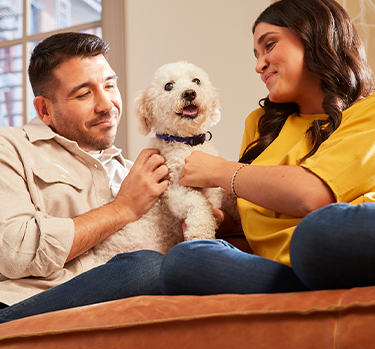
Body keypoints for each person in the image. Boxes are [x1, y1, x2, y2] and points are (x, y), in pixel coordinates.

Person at [159, 0, 375, 295]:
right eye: (256, 55)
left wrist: (220, 171)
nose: (259, 65)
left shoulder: (369, 112)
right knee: (185, 261)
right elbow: (259, 232)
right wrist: (226, 225)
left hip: (340, 244)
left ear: (315, 37)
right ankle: (303, 291)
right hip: (287, 271)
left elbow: (311, 195)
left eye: (269, 45)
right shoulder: (261, 125)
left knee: (316, 233)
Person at [0, 32, 169, 322]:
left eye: (109, 85)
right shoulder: (11, 147)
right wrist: (123, 208)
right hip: (23, 307)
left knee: (198, 260)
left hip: (116, 305)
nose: (107, 105)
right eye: (84, 94)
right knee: (150, 267)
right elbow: (17, 251)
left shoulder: (134, 172)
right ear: (44, 109)